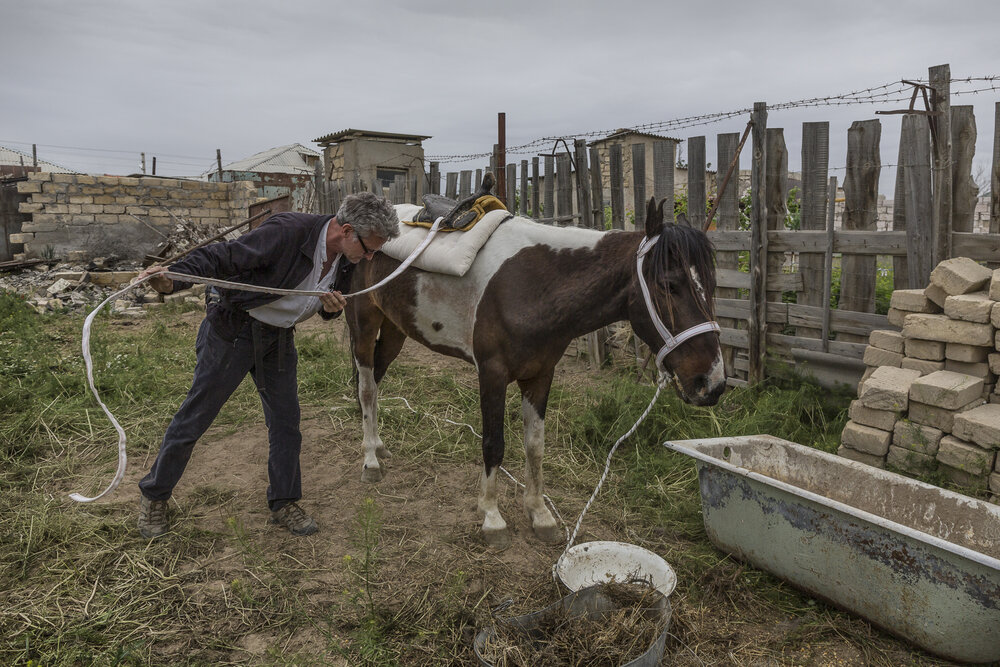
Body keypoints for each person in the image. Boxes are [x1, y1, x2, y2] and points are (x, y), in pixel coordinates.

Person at [135, 192, 399, 538]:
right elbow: (222, 257)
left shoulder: (348, 258)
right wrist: (174, 279)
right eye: (368, 249)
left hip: (278, 339)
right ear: (348, 230)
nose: (370, 257)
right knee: (196, 416)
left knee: (286, 422)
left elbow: (317, 300)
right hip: (234, 331)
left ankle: (283, 502)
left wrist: (329, 309)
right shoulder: (287, 231)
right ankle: (154, 496)